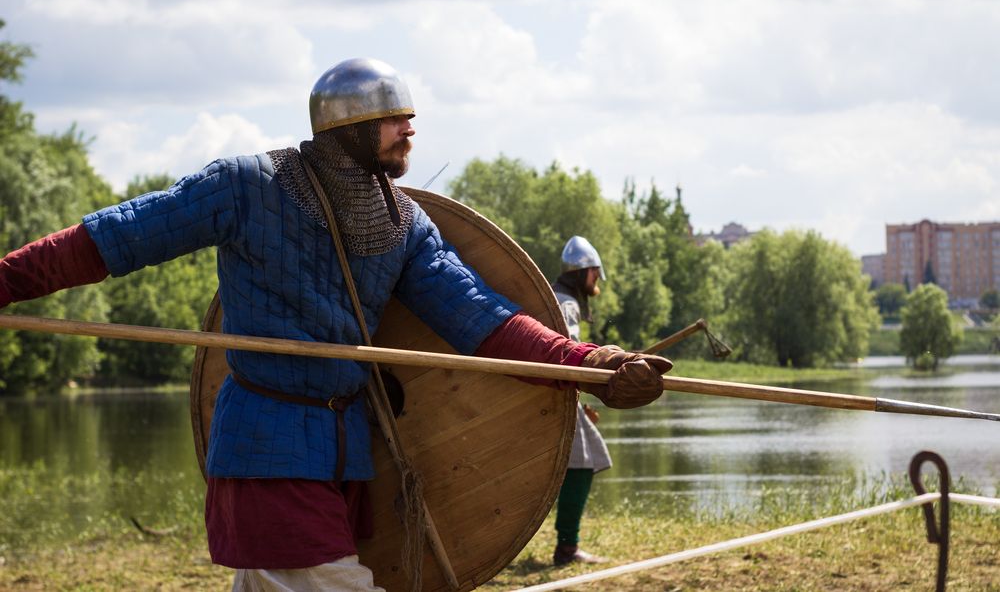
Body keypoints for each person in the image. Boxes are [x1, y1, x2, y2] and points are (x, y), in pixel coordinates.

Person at [0, 57, 672, 590]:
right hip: (266, 450)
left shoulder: (404, 224)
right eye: (394, 118)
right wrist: (5, 283)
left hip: (348, 455)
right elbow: (111, 239)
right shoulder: (246, 186)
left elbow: (482, 321)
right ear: (346, 128)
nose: (410, 130)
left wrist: (590, 365)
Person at [550, 236, 614, 566]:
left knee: (586, 456)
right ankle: (567, 548)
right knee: (583, 461)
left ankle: (567, 544)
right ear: (585, 273)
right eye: (595, 272)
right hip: (554, 395)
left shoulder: (559, 296)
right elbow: (567, 350)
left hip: (562, 393)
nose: (597, 279)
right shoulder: (567, 304)